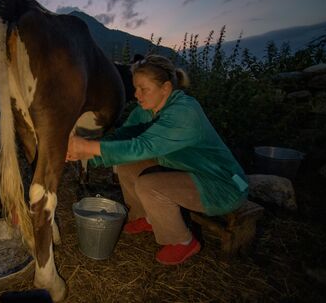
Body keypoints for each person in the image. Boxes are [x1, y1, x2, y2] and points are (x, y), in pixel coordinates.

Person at [66, 54, 248, 265]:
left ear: (166, 88)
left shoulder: (185, 112)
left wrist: (86, 146)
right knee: (127, 163)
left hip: (223, 184)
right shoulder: (145, 111)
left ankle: (182, 241)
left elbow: (143, 147)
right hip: (186, 170)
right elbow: (123, 137)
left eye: (144, 89)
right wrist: (85, 157)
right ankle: (147, 218)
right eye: (135, 88)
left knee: (149, 185)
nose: (137, 95)